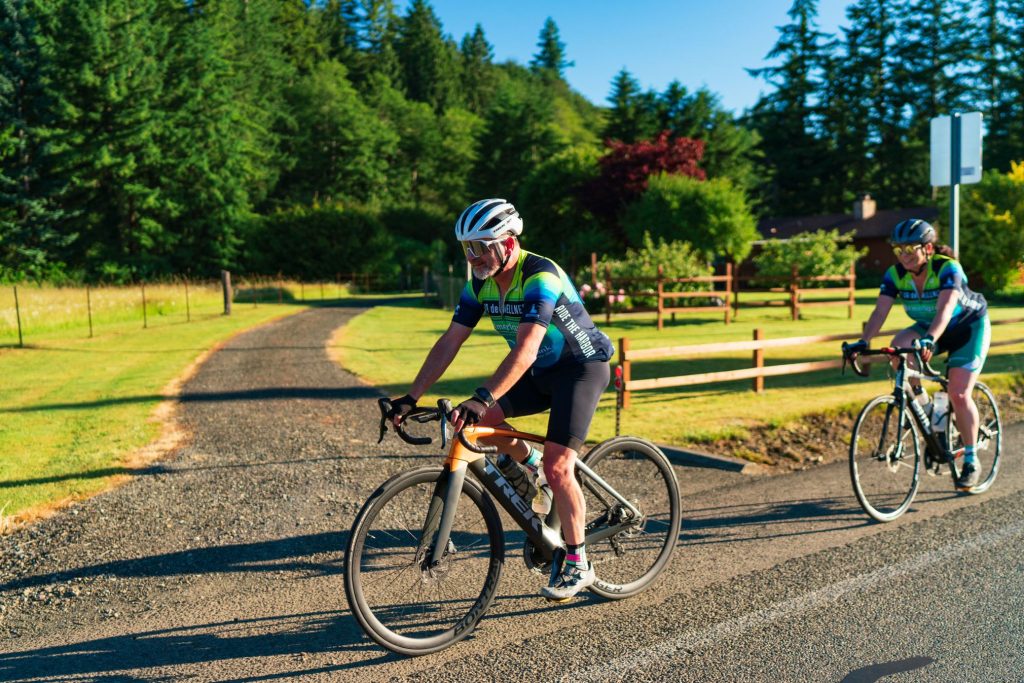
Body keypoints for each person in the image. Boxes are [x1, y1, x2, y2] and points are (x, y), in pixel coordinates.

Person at [389, 198, 614, 601]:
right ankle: (534, 470)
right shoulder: (480, 282)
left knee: (560, 464)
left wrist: (483, 395)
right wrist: (411, 396)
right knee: (475, 425)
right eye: (466, 248)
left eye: (481, 246)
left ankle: (578, 561)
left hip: (580, 369)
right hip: (540, 372)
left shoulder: (539, 276)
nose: (473, 257)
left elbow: (526, 349)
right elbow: (450, 341)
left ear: (508, 243)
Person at [846, 218, 990, 489]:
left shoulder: (948, 269)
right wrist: (863, 342)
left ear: (928, 249)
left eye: (911, 248)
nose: (904, 256)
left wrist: (929, 340)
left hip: (967, 328)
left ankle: (971, 461)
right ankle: (926, 406)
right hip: (928, 327)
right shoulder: (895, 274)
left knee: (959, 393)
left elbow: (946, 310)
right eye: (898, 250)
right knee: (897, 346)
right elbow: (880, 312)